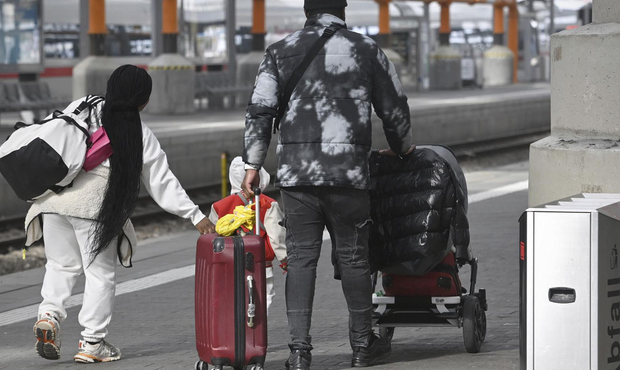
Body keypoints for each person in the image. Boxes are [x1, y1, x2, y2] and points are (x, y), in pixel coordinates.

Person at [240, 1, 414, 368]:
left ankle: (299, 352)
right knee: (354, 258)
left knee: (301, 259)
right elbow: (394, 107)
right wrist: (402, 148)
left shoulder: (280, 51)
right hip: (348, 174)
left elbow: (260, 110)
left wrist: (253, 163)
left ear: (308, 11)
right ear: (342, 10)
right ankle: (363, 345)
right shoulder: (366, 49)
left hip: (298, 176)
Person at [23, 65, 216, 363]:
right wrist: (195, 216)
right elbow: (161, 181)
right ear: (142, 100)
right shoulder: (139, 134)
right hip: (94, 208)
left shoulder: (83, 105)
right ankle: (92, 343)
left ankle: (48, 316)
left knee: (61, 266)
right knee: (99, 275)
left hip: (53, 201)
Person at [208, 157, 287, 309]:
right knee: (263, 300)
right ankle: (254, 331)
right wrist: (285, 260)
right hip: (261, 264)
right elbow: (277, 236)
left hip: (230, 264)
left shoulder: (218, 206)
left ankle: (238, 330)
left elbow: (213, 237)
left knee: (235, 301)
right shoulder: (268, 203)